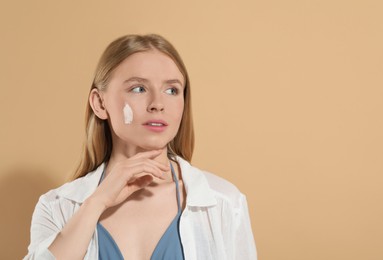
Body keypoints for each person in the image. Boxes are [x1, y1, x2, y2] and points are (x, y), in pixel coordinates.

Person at [24, 34, 257, 260]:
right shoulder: (57, 207)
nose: (158, 104)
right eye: (139, 88)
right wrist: (96, 203)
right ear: (99, 103)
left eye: (172, 90)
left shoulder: (224, 202)